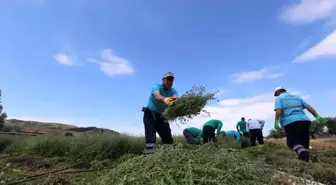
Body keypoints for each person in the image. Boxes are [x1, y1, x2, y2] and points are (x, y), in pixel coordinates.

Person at [273, 86, 325, 162]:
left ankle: (303, 155)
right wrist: (317, 116)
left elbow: (279, 110)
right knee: (304, 144)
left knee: (292, 143)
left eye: (276, 94)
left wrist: (276, 122)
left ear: (278, 92)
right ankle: (305, 160)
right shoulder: (296, 97)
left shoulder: (279, 98)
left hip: (291, 122)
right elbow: (308, 107)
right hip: (305, 121)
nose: (276, 96)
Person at [142, 72, 178, 154]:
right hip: (150, 114)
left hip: (162, 115)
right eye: (168, 79)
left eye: (171, 80)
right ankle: (149, 157)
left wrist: (175, 103)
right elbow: (157, 96)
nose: (170, 82)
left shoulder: (173, 91)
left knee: (168, 138)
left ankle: (166, 156)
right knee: (150, 137)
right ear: (163, 80)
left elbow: (176, 99)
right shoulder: (156, 87)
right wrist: (165, 99)